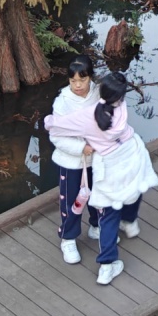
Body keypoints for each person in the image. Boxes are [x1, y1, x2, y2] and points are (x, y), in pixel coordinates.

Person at [43, 71, 158, 285]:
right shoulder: (122, 108)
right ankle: (130, 221)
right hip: (132, 155)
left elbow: (54, 124)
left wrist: (49, 120)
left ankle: (107, 265)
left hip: (109, 167)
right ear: (121, 96)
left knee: (107, 216)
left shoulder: (88, 117)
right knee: (137, 187)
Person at [48, 57, 99, 265]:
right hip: (72, 163)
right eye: (73, 81)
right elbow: (57, 136)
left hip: (97, 158)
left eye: (82, 80)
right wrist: (81, 148)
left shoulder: (99, 93)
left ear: (90, 78)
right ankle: (68, 238)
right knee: (71, 201)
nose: (77, 86)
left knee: (98, 195)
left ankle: (97, 226)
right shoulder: (62, 103)